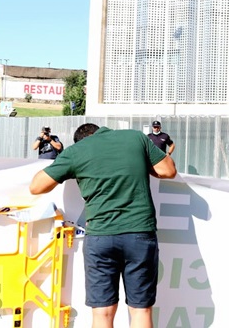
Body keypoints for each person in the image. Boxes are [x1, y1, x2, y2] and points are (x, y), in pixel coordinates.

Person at [29, 123, 177, 328]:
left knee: (102, 314)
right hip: (139, 232)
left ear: (82, 139)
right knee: (141, 310)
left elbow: (36, 187)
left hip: (100, 236)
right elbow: (168, 171)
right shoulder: (135, 138)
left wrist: (74, 167)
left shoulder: (76, 152)